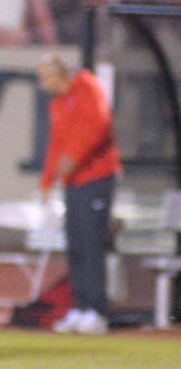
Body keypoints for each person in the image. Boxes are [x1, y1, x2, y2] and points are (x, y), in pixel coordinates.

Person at [38, 55, 121, 335]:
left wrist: (74, 158)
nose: (42, 84)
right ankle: (81, 306)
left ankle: (96, 310)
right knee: (75, 245)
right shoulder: (57, 104)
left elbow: (99, 126)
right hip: (73, 182)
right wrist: (48, 180)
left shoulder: (87, 87)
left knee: (91, 244)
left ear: (58, 74)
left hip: (96, 178)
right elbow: (55, 144)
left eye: (45, 77)